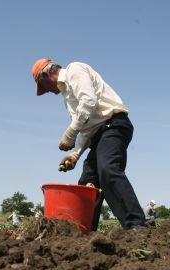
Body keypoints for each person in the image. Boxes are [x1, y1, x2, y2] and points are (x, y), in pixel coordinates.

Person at [31, 58, 146, 231]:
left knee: (108, 169)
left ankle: (136, 224)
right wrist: (75, 155)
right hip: (98, 134)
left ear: (46, 75)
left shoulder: (74, 71)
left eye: (43, 87)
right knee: (87, 182)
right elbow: (86, 130)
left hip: (113, 125)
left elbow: (88, 102)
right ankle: (84, 231)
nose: (46, 92)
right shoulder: (67, 98)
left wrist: (70, 133)